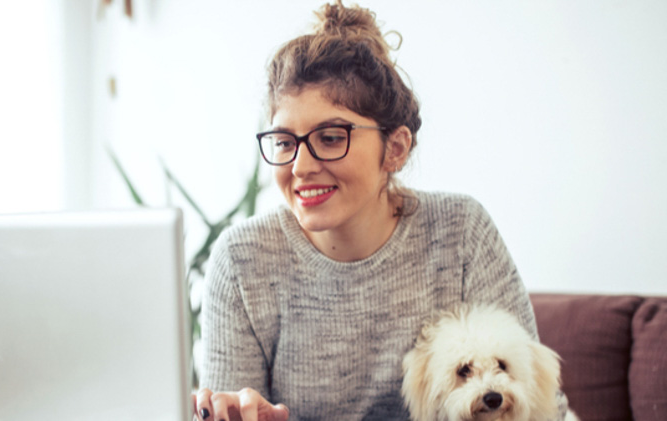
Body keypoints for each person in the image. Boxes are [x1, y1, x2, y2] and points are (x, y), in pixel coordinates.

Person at [193, 1, 566, 420]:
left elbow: (540, 406)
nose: (300, 167)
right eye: (284, 142)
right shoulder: (243, 260)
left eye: (331, 137)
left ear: (395, 148)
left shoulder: (461, 233)